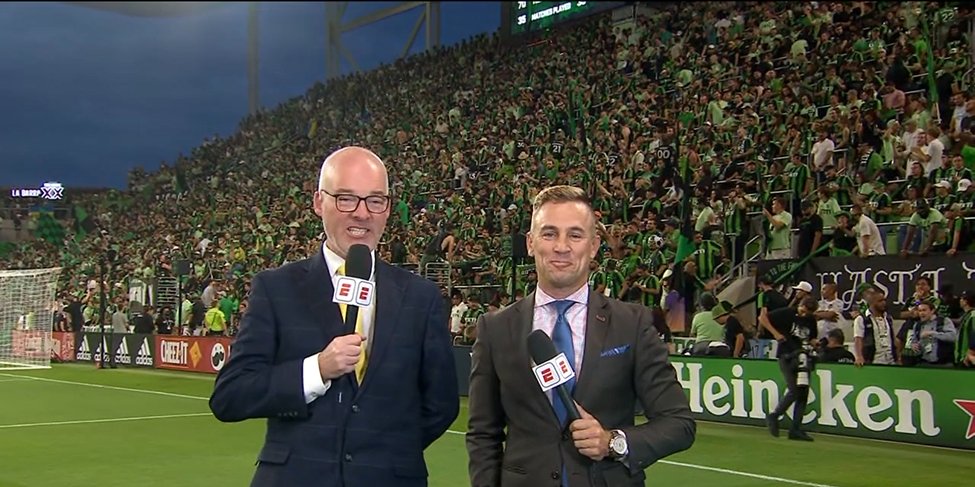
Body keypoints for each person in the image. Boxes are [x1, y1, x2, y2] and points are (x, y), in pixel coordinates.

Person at [209, 147, 459, 487]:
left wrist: (389, 452)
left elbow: (441, 403)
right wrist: (317, 369)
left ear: (387, 209)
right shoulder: (276, 288)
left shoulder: (421, 297)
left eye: (375, 200)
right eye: (346, 199)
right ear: (318, 202)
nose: (362, 213)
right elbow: (231, 395)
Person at [467, 185, 695, 487]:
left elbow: (679, 423)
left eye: (575, 235)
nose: (562, 246)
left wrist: (613, 441)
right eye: (549, 234)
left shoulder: (633, 324)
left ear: (594, 245)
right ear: (531, 243)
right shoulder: (495, 328)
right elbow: (483, 433)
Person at [759, 296, 819, 441]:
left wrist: (816, 344)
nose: (804, 315)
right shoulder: (787, 313)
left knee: (803, 392)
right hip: (788, 355)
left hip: (804, 356)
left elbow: (811, 337)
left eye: (808, 313)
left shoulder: (810, 321)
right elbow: (763, 318)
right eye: (803, 311)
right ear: (800, 305)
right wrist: (776, 334)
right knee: (793, 390)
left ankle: (795, 429)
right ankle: (774, 415)